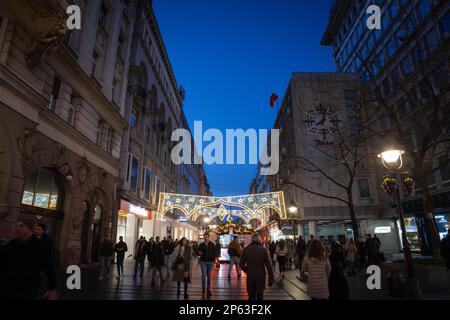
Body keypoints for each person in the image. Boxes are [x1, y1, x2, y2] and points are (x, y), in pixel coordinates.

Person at [0, 219, 58, 300]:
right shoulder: (12, 244)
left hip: (28, 288)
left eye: (22, 226)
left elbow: (50, 267)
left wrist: (52, 288)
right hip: (8, 287)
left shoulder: (41, 246)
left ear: (30, 228)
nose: (18, 228)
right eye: (17, 226)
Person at [240, 233, 274, 301]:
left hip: (250, 276)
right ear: (259, 239)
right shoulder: (264, 250)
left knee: (251, 296)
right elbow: (269, 266)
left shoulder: (246, 249)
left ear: (252, 240)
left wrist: (247, 270)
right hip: (260, 276)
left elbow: (241, 264)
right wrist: (271, 279)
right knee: (260, 295)